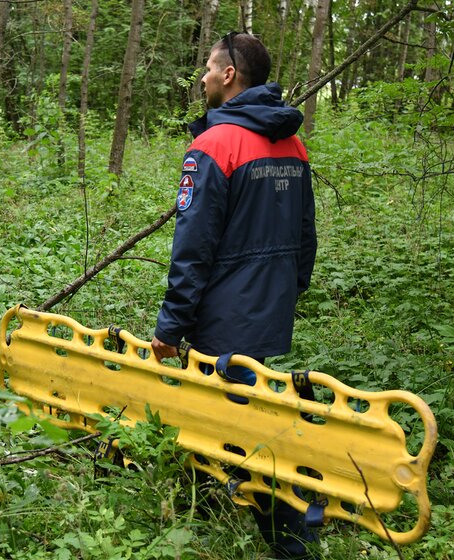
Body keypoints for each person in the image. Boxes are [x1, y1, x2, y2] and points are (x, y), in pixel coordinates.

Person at [150, 33, 318, 559]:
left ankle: (293, 536)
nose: (202, 77)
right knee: (240, 409)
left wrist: (170, 328)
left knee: (241, 420)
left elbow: (192, 250)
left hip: (222, 312)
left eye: (207, 68)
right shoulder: (293, 143)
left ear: (229, 75)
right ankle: (211, 503)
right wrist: (290, 288)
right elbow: (306, 232)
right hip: (268, 305)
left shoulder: (213, 147)